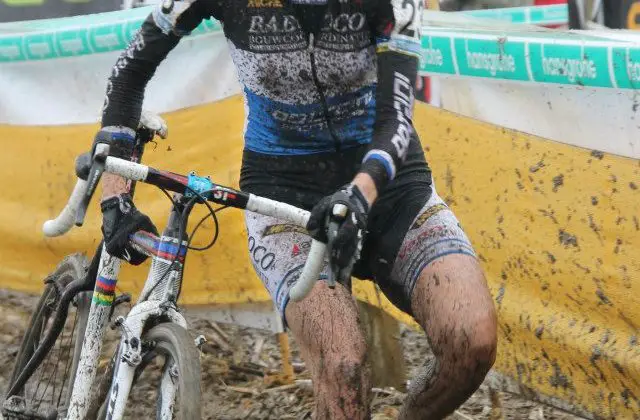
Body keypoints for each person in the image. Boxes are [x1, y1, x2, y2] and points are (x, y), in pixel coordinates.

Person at [95, 0, 498, 418]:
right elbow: (129, 72)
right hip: (283, 193)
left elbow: (396, 118)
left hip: (389, 187)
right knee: (343, 366)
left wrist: (359, 194)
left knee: (472, 341)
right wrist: (114, 194)